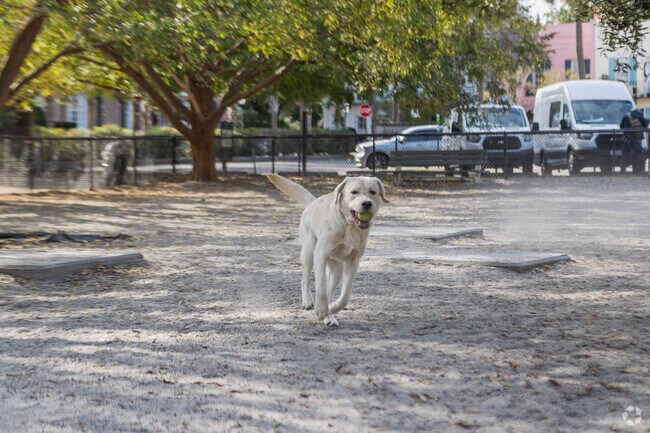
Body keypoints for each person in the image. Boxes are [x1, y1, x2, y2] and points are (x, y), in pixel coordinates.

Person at [619, 108, 648, 174]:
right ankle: (636, 171)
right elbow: (646, 126)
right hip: (637, 139)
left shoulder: (626, 116)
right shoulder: (641, 117)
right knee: (637, 156)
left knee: (625, 155)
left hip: (627, 139)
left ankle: (623, 171)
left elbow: (621, 126)